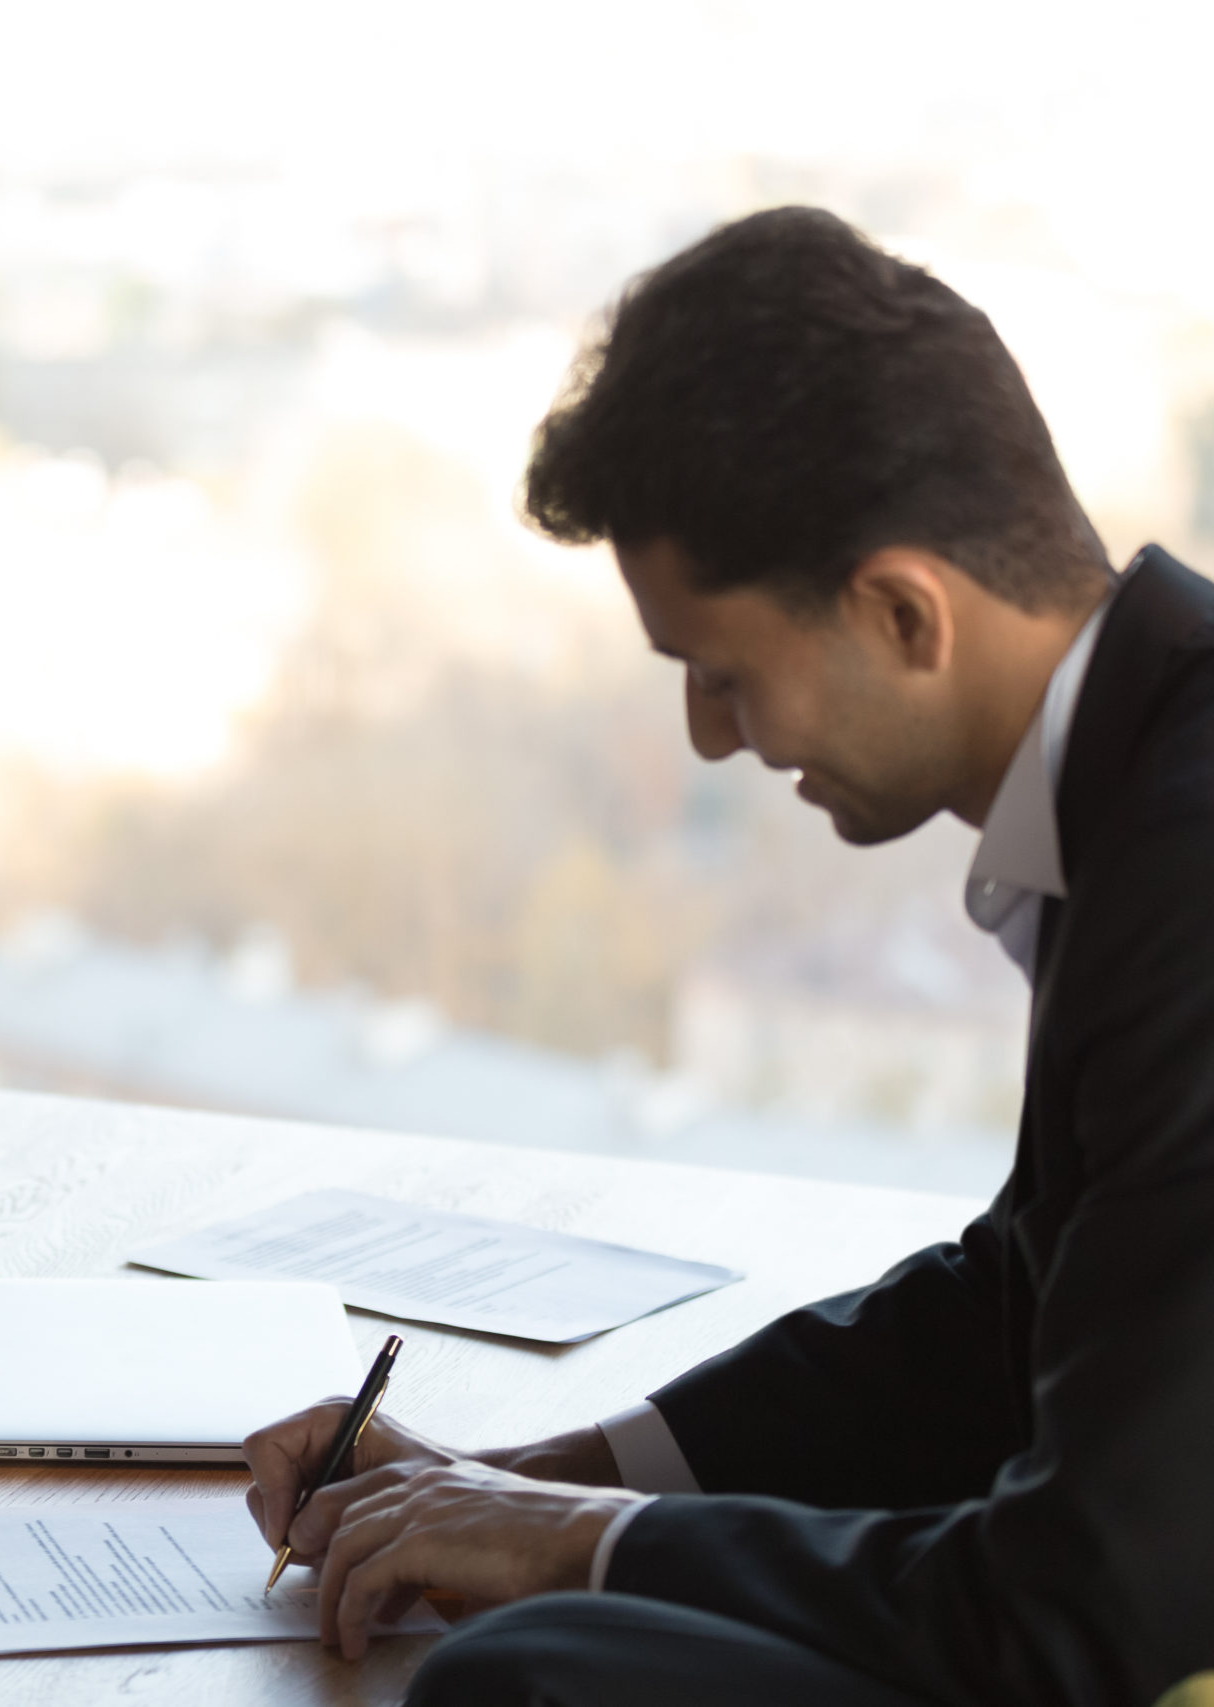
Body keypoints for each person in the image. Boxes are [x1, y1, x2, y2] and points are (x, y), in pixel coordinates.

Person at [242, 207, 1214, 1705]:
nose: (710, 737)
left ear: (902, 611)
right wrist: (528, 1479)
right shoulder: (1153, 767)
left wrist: (580, 1544)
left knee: (529, 1678)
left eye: (722, 672)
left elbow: (1070, 1615)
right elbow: (1009, 1310)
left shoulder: (1191, 865)